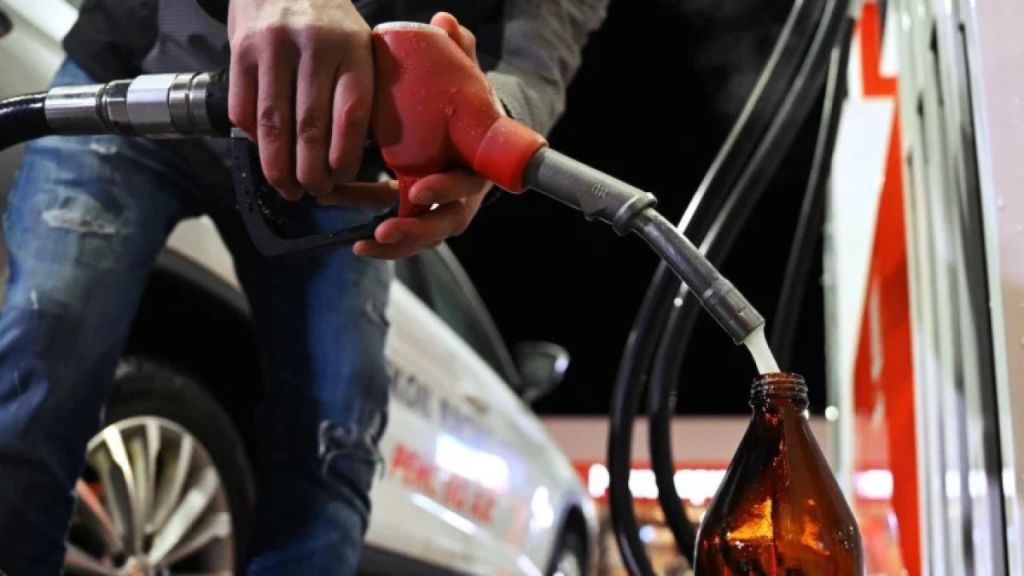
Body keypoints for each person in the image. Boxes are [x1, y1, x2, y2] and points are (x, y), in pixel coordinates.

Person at [0, 0, 607, 573]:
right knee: (41, 360)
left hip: (335, 162)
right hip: (135, 76)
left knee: (333, 438)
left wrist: (485, 124)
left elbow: (538, 49)